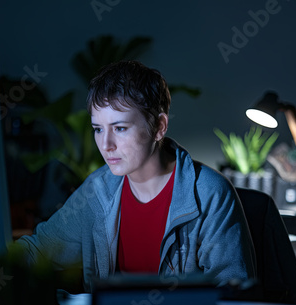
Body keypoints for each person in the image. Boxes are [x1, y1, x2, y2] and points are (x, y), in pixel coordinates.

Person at [17, 60, 256, 291]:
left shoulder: (210, 193)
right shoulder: (97, 190)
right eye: (98, 129)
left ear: (159, 126)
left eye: (120, 128)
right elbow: (39, 251)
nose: (106, 144)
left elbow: (234, 297)